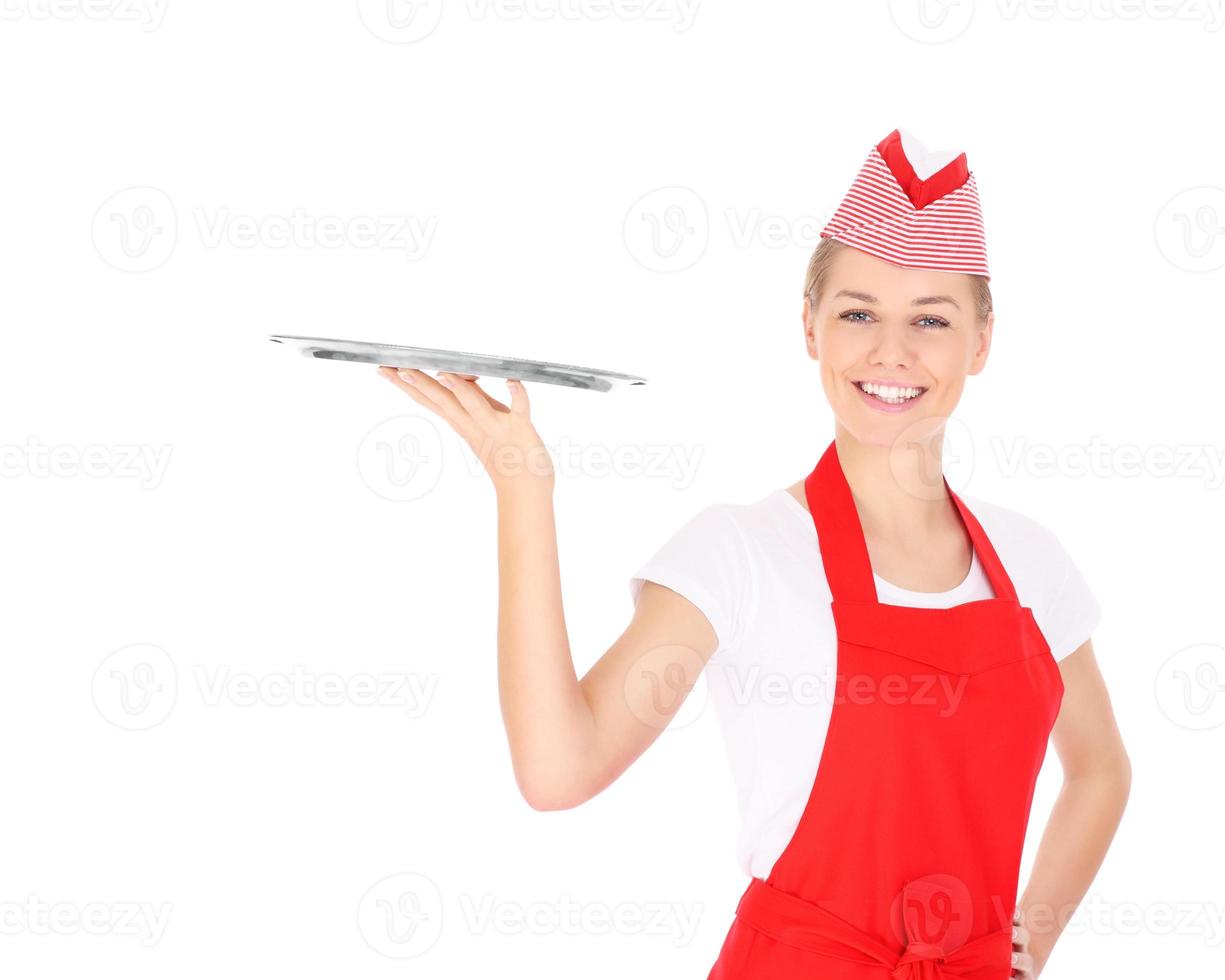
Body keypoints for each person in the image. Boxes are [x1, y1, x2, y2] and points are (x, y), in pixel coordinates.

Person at [377, 127, 1131, 979]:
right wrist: (524, 489)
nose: (892, 351)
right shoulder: (739, 555)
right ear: (809, 326)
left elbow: (1099, 766)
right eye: (857, 313)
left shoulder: (1034, 565)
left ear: (982, 343)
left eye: (932, 319)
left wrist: (1024, 949)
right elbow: (560, 769)